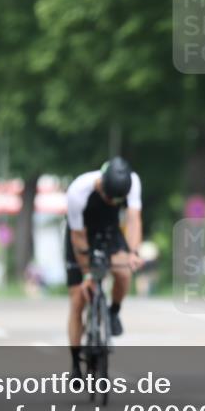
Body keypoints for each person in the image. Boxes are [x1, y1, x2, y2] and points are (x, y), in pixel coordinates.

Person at [65, 157, 143, 377]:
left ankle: (113, 312)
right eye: (109, 197)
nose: (113, 202)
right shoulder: (78, 191)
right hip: (80, 235)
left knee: (124, 272)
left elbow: (134, 219)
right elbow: (78, 237)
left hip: (109, 231)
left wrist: (134, 252)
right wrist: (88, 274)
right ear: (101, 185)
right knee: (78, 299)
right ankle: (74, 363)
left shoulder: (132, 182)